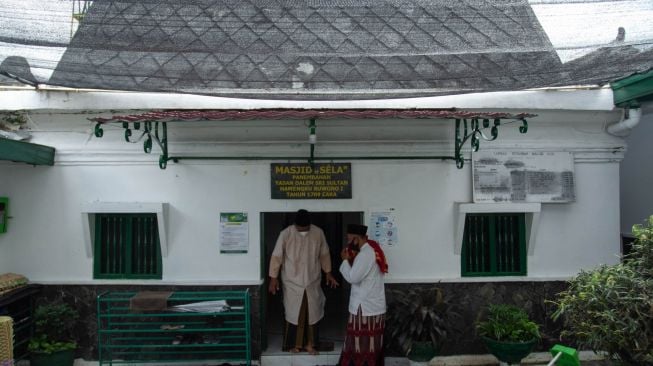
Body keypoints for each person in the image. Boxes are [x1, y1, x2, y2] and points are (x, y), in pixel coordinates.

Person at [268, 209, 339, 355]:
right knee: (295, 313)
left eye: (306, 229)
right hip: (291, 282)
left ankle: (310, 345)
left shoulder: (318, 233)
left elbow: (324, 254)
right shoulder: (286, 234)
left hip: (312, 280)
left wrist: (328, 272)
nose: (303, 231)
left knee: (312, 313)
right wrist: (273, 278)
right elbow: (276, 257)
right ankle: (295, 345)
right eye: (300, 229)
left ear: (310, 224)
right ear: (295, 224)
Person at [338, 224, 388, 366]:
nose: (348, 243)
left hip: (365, 307)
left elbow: (354, 278)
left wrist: (344, 261)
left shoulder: (365, 254)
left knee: (362, 344)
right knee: (371, 342)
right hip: (371, 305)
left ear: (356, 239)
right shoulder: (372, 250)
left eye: (349, 240)